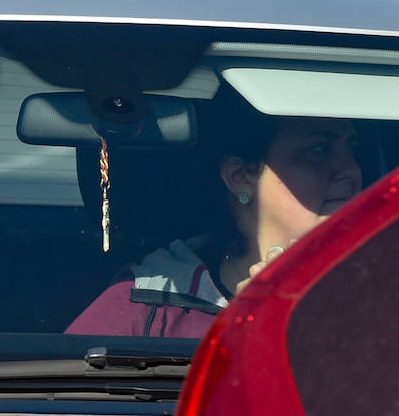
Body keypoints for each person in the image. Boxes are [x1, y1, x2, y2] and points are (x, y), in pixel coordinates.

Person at [66, 115, 362, 338]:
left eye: (351, 149)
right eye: (319, 150)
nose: (352, 170)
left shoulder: (389, 288)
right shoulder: (149, 302)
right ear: (239, 177)